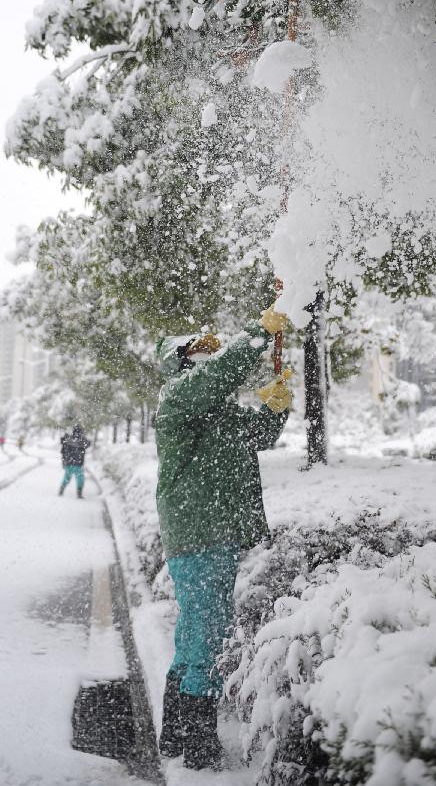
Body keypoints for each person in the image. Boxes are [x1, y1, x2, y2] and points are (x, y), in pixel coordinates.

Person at [155, 306, 291, 771]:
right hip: (198, 533)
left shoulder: (215, 407)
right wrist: (258, 333)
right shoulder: (179, 395)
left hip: (211, 533)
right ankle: (199, 745)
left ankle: (174, 735)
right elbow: (217, 376)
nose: (210, 357)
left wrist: (277, 407)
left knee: (194, 630)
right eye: (201, 351)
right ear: (180, 362)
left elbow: (254, 434)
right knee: (210, 634)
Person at [58, 425, 91, 498]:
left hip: (69, 463)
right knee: (80, 478)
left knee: (67, 477)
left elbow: (63, 447)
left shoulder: (69, 439)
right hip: (78, 464)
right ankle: (79, 492)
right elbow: (89, 443)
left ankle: (62, 488)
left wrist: (64, 461)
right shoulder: (82, 441)